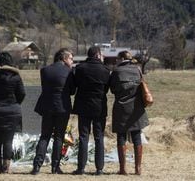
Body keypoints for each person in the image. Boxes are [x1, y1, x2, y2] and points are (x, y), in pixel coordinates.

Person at [31, 48, 75, 175]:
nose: (72, 61)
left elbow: (45, 87)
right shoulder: (69, 72)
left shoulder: (45, 70)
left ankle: (37, 166)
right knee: (59, 137)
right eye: (71, 58)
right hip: (62, 107)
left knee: (44, 136)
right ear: (64, 58)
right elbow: (72, 91)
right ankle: (55, 167)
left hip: (47, 106)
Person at [72, 46, 111, 175]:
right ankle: (99, 168)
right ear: (97, 55)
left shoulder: (80, 69)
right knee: (99, 137)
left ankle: (81, 167)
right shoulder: (105, 70)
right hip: (99, 106)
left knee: (83, 136)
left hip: (83, 105)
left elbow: (75, 85)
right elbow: (106, 89)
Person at [109, 50, 149, 175]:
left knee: (121, 137)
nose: (116, 61)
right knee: (136, 136)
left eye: (117, 59)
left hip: (121, 108)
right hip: (136, 108)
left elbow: (113, 89)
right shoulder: (137, 69)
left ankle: (122, 169)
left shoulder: (116, 72)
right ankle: (138, 169)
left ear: (121, 59)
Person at [0, 52, 26, 174]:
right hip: (12, 111)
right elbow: (22, 94)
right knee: (8, 140)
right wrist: (15, 103)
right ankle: (6, 167)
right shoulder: (15, 77)